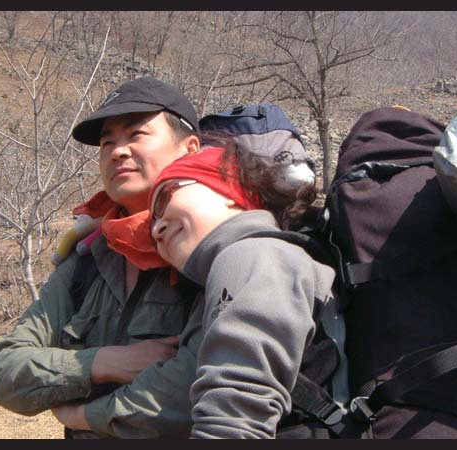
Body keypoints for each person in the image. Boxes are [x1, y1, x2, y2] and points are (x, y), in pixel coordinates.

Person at [0, 77, 206, 438]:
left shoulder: (212, 257)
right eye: (107, 142)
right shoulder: (88, 258)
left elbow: (192, 392)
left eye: (136, 134)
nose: (117, 151)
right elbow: (6, 371)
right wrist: (101, 362)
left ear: (190, 149)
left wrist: (81, 416)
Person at [148, 145, 349, 438]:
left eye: (165, 197)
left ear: (229, 189)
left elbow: (232, 423)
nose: (156, 229)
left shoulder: (252, 255)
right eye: (151, 222)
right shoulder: (270, 255)